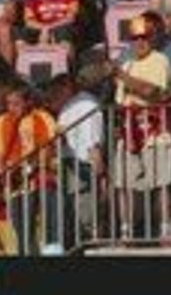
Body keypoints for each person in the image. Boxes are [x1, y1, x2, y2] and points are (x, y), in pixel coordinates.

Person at [109, 13, 171, 242]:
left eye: (144, 36)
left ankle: (164, 230)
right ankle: (127, 232)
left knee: (161, 184)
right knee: (124, 185)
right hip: (128, 129)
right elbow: (120, 101)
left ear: (153, 37)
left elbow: (152, 92)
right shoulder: (126, 63)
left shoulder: (160, 60)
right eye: (135, 37)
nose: (139, 41)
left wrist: (121, 76)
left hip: (155, 129)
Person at [0, 82, 60, 256]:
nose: (12, 108)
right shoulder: (2, 121)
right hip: (15, 184)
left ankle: (52, 253)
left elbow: (49, 148)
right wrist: (4, 176)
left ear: (28, 102)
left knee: (51, 224)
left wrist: (30, 167)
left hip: (41, 178)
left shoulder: (43, 117)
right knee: (22, 230)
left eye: (16, 103)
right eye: (9, 104)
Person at [45, 72, 105, 251]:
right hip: (68, 165)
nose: (52, 95)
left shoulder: (86, 103)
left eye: (56, 90)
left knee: (85, 213)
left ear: (67, 87)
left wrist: (96, 159)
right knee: (73, 212)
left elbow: (93, 135)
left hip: (83, 163)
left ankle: (93, 248)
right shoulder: (68, 107)